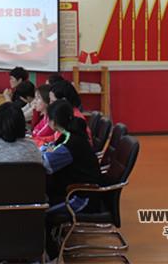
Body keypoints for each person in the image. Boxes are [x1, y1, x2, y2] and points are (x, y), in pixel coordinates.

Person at [41, 99, 101, 260]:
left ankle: (53, 256)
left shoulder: (71, 143)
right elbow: (52, 149)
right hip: (73, 190)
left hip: (81, 196)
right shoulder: (69, 135)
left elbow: (46, 164)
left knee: (39, 212)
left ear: (53, 122)